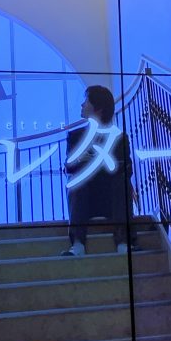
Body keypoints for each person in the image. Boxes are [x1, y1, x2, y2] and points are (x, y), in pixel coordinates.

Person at [62, 85, 135, 255]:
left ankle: (123, 242)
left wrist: (95, 161)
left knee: (122, 181)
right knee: (76, 181)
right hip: (85, 200)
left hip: (112, 199)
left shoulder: (119, 137)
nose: (82, 105)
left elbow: (127, 168)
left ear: (98, 108)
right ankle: (78, 244)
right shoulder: (75, 136)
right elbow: (69, 167)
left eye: (86, 101)